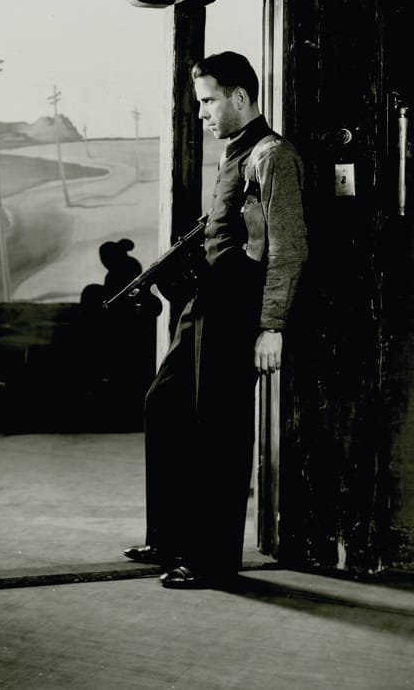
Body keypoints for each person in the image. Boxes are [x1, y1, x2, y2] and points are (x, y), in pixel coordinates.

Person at [124, 51, 308, 589]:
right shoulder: (237, 151)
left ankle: (211, 561)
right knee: (164, 404)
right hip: (207, 304)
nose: (202, 112)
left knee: (218, 431)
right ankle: (169, 538)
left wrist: (271, 326)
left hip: (238, 310)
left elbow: (289, 248)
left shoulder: (273, 155)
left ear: (240, 97)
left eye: (208, 101)